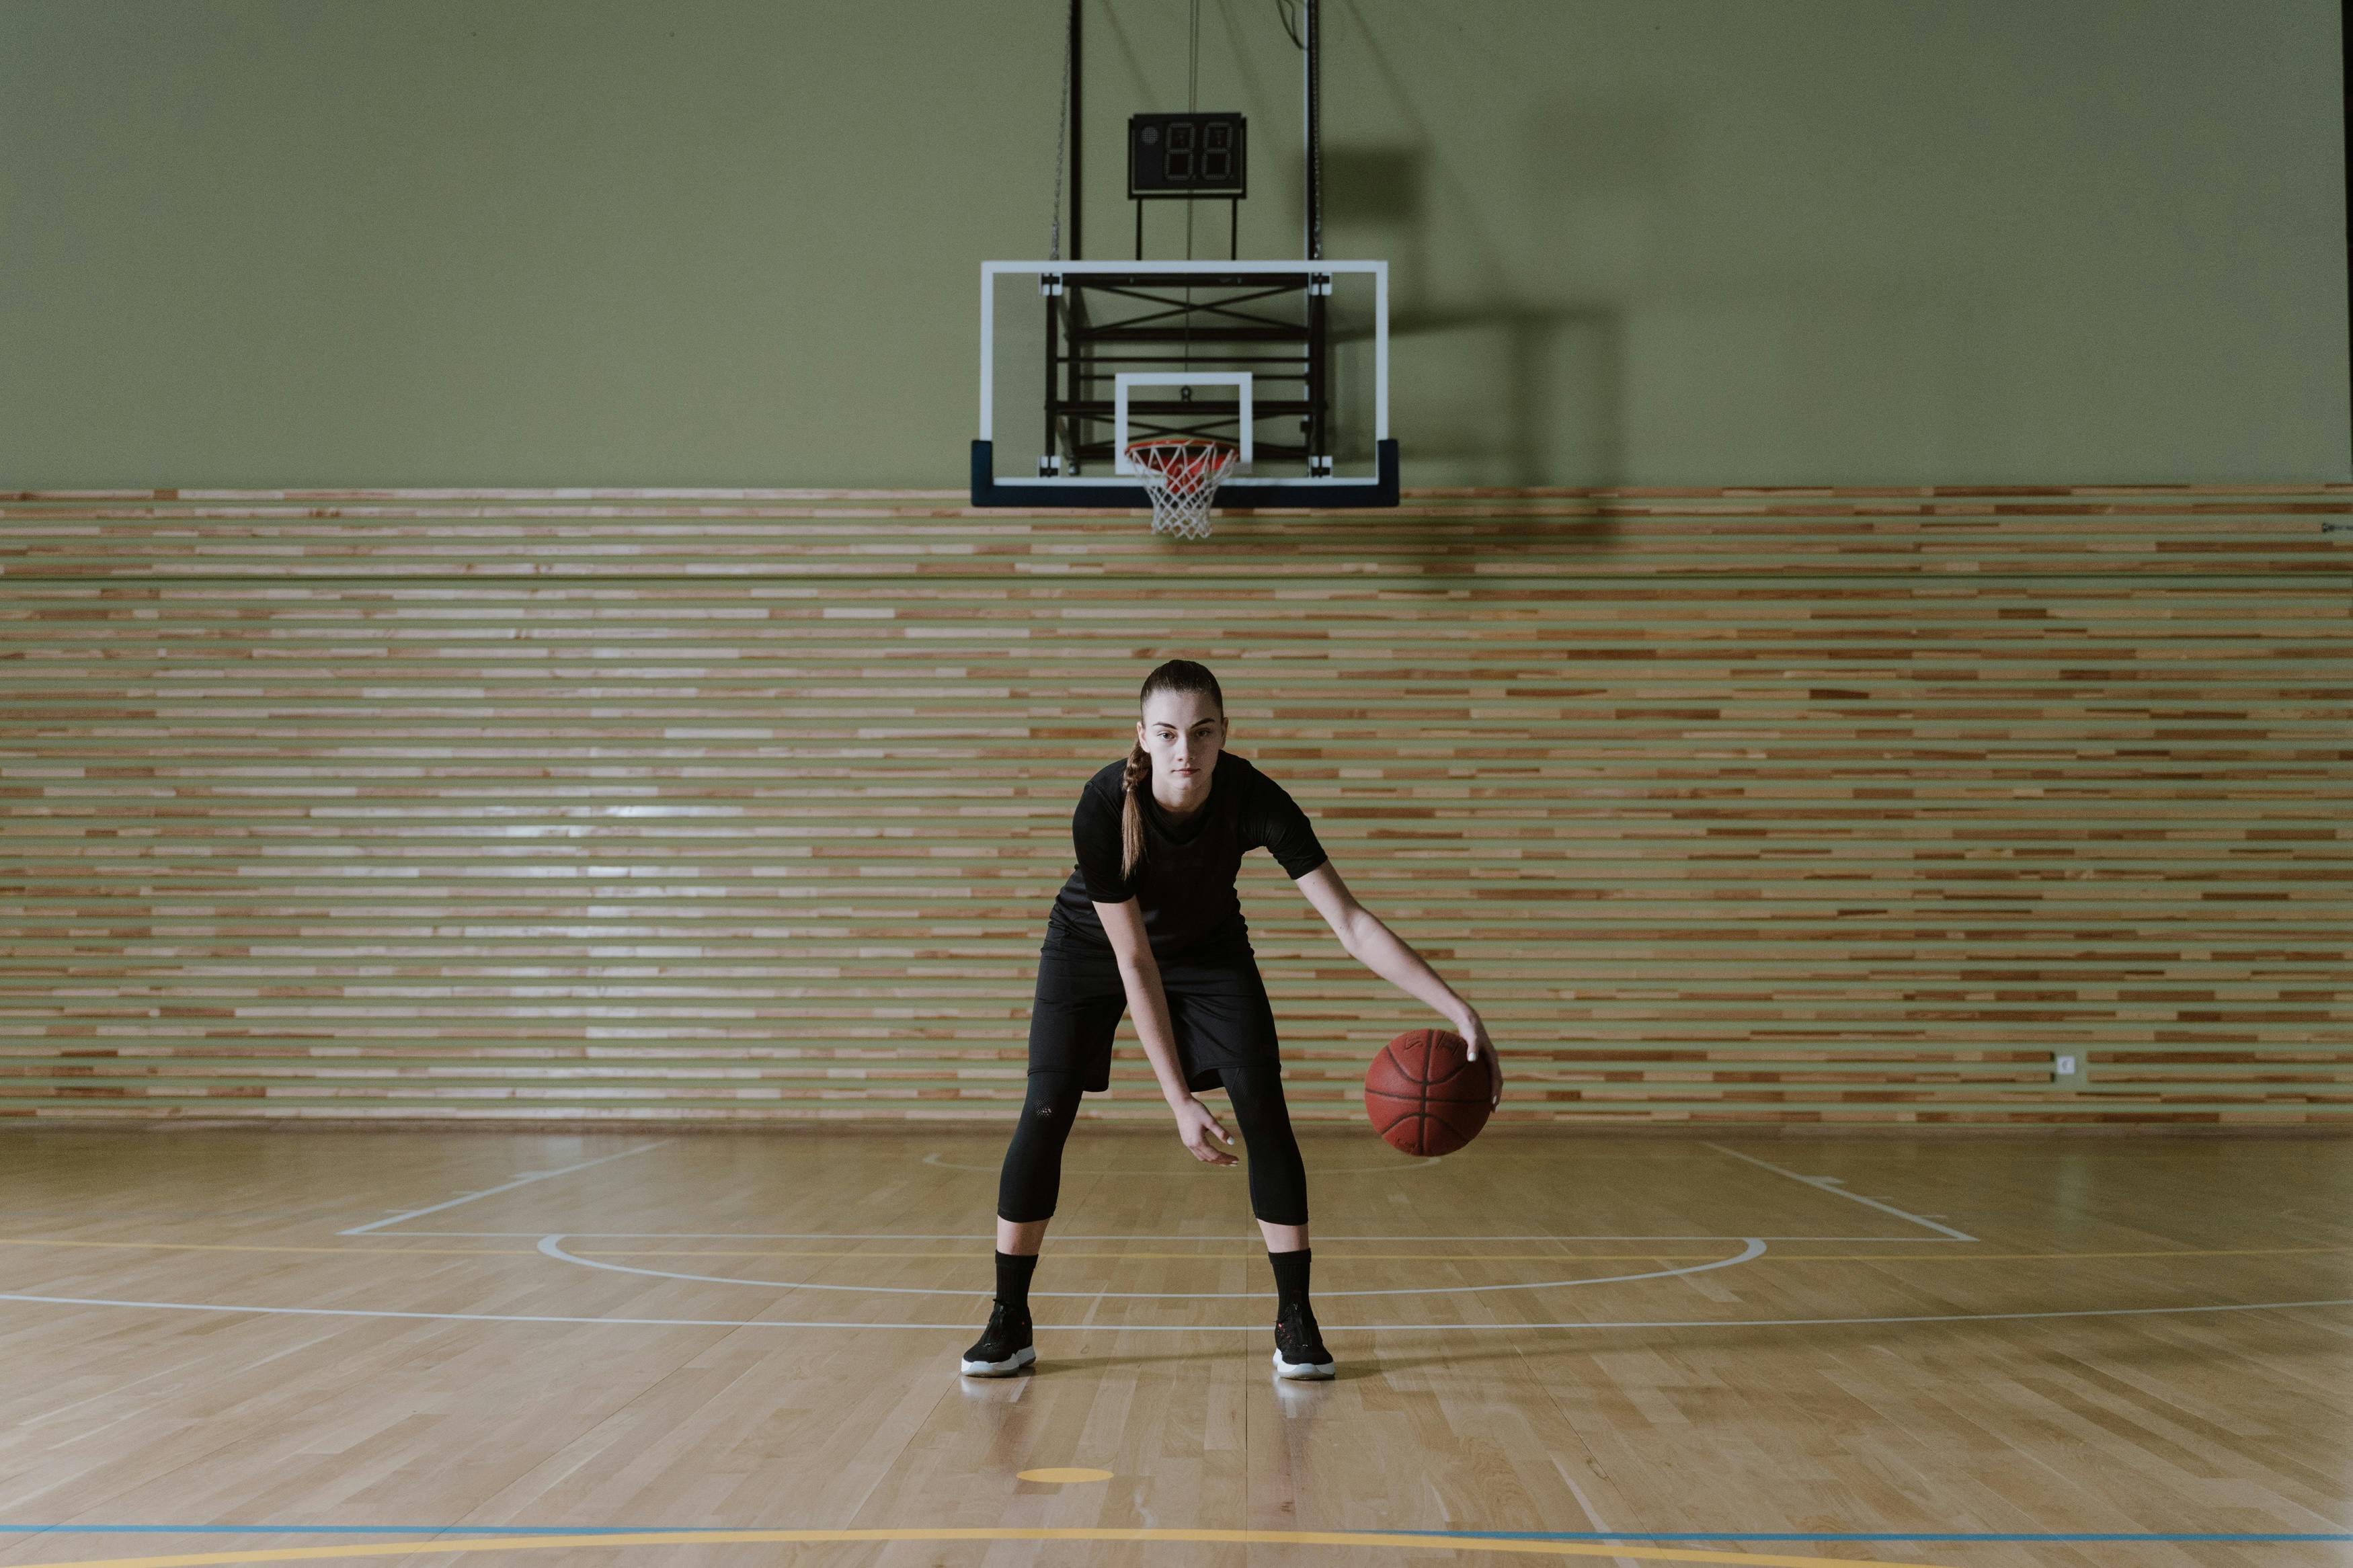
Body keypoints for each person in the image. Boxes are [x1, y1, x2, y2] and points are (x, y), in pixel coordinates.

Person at [961, 658, 1497, 1380]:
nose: (1186, 750)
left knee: (1262, 1102)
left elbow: (1349, 922)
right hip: (1093, 949)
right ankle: (1008, 1318)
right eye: (1168, 732)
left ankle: (1295, 1318)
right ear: (1143, 737)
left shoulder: (1254, 798)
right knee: (1045, 1104)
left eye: (1203, 732)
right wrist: (1177, 1096)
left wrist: (1457, 1007)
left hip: (1208, 948)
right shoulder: (1100, 807)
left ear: (1223, 735)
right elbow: (1135, 961)